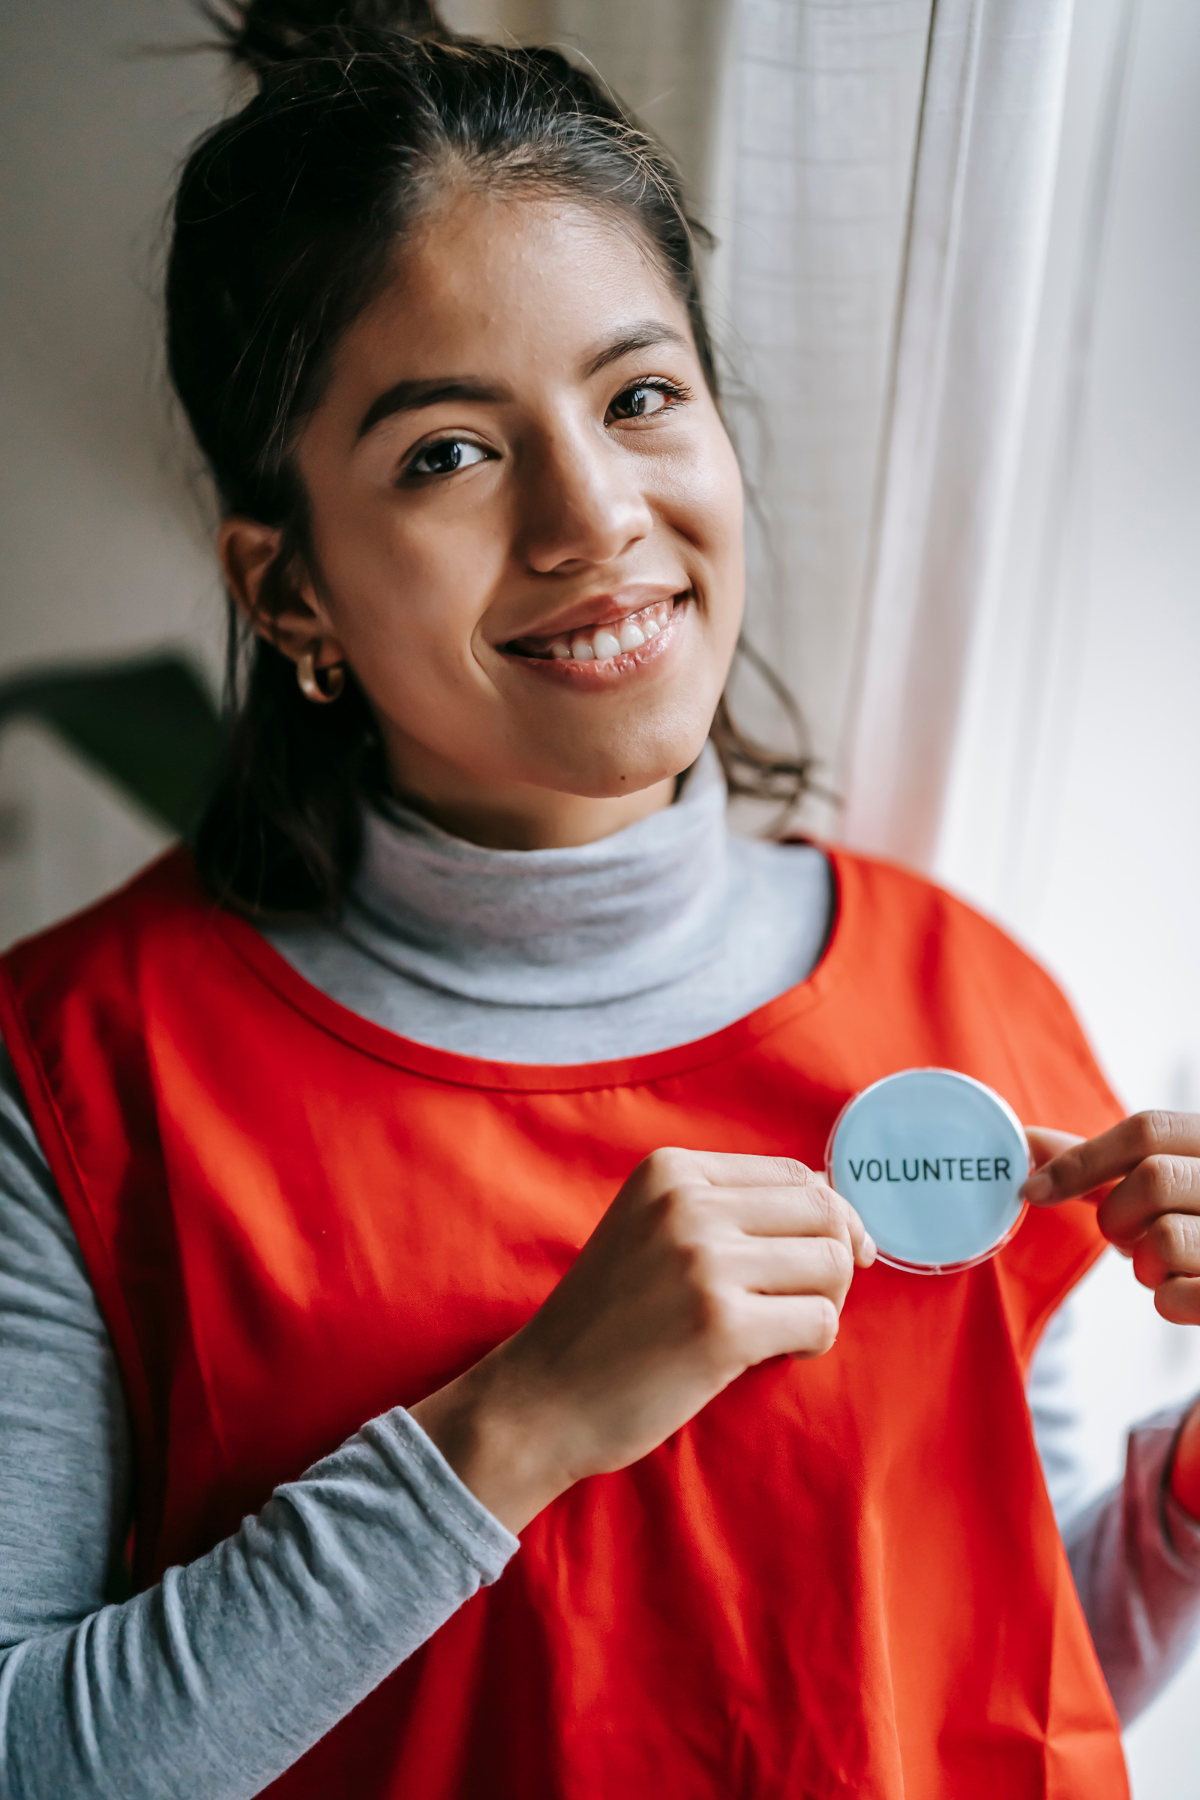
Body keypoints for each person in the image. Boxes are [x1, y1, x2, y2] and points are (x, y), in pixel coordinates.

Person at [1, 3, 1198, 1795]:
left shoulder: (969, 998)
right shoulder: (77, 1079)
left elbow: (1005, 1666)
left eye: (640, 397)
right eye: (446, 454)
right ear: (288, 589)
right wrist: (521, 1422)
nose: (591, 517)